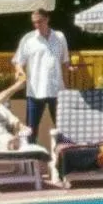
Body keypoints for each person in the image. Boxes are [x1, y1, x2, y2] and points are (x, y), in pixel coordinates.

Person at [12, 8, 70, 137]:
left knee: (64, 130)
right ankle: (31, 151)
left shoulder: (60, 37)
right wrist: (20, 72)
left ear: (47, 19)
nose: (37, 25)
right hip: (35, 91)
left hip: (57, 90)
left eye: (39, 21)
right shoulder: (28, 38)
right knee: (30, 131)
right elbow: (18, 62)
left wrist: (66, 86)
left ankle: (64, 150)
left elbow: (65, 62)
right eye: (34, 22)